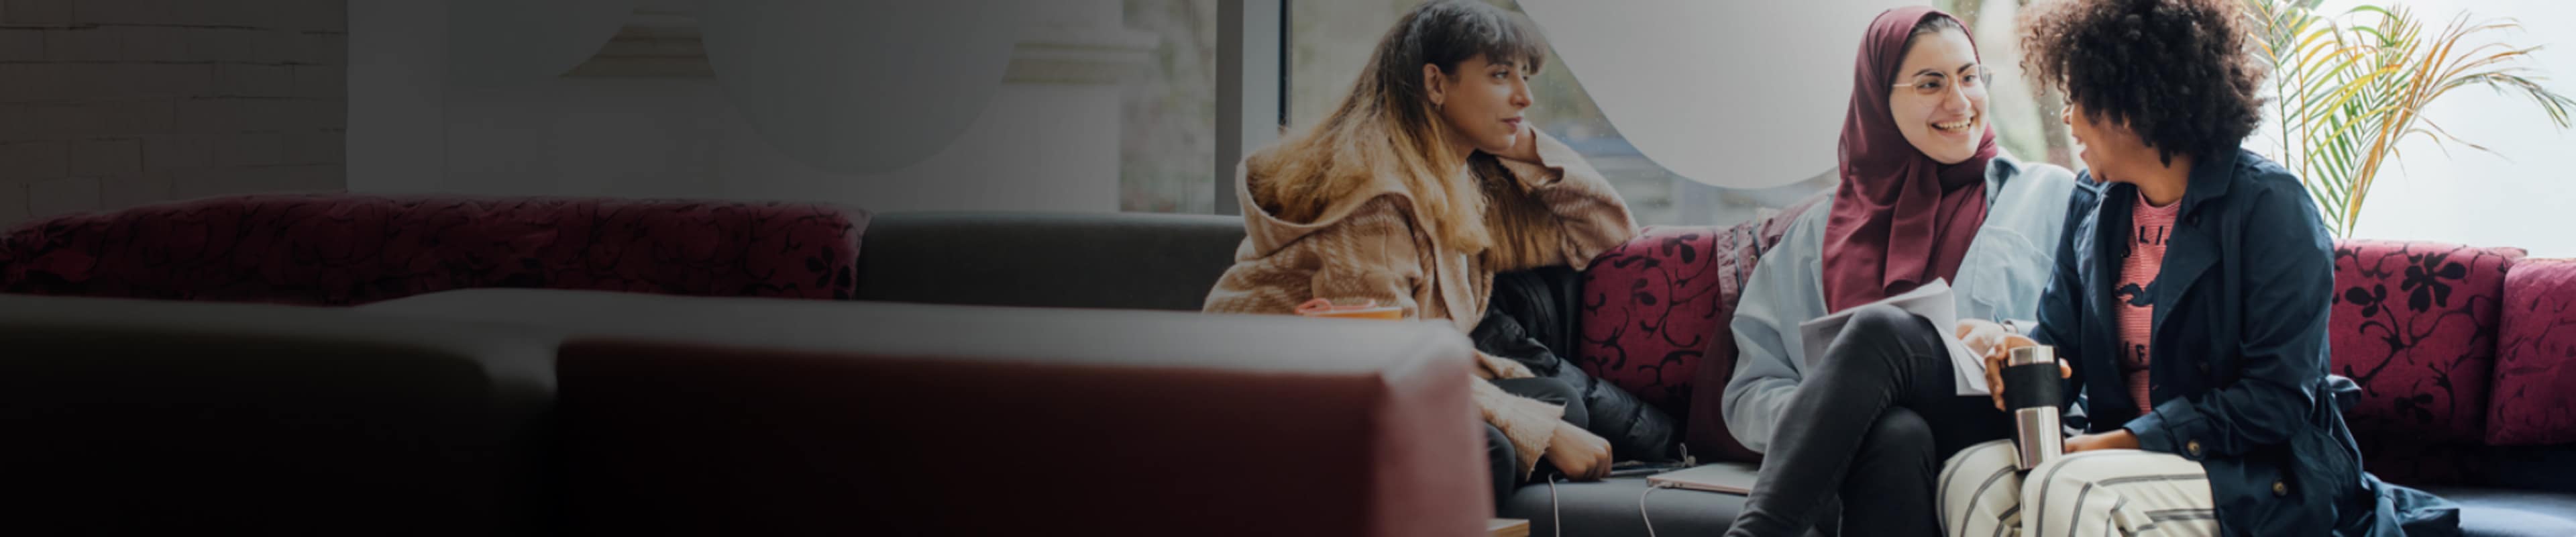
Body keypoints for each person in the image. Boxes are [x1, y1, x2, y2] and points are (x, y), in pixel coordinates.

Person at [1936, 1, 2461, 535]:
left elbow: (2276, 399)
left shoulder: (2271, 207)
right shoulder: (2093, 202)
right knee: (1969, 478)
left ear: (2132, 103)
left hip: (2259, 471)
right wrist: (2026, 364)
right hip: (2122, 457)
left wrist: (2122, 442)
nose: (2068, 117)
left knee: (2069, 487)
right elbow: (2062, 347)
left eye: (2079, 97)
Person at [1199, 0, 1676, 506]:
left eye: (1524, 76)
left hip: (1371, 377)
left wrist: (1520, 142)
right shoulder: (1374, 196)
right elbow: (1380, 355)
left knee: (1562, 408)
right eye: (1500, 75)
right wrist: (1547, 436)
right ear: (1435, 84)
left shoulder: (1454, 181)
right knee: (1490, 447)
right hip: (1278, 392)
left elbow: (1605, 231)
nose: (1525, 95)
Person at [1719, 7, 2084, 536]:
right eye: (1930, 84)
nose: (1959, 102)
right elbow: (1750, 393)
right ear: (1878, 99)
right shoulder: (1813, 236)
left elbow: (2086, 343)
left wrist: (2007, 342)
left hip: (1998, 432)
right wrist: (1847, 410)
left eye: (1969, 78)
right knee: (1895, 432)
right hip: (1862, 463)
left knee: (1878, 333)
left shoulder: (2052, 197)